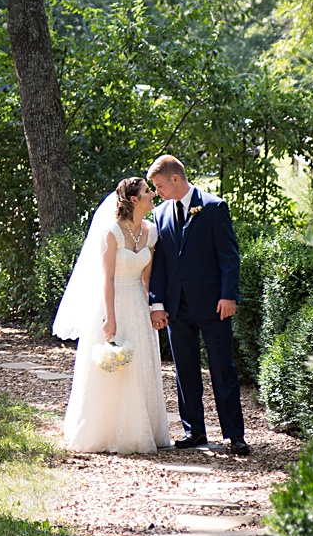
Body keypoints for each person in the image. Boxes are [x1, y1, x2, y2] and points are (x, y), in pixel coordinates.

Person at [53, 176, 172, 454]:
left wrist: (154, 308)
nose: (152, 194)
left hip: (138, 306)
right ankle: (103, 430)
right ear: (134, 199)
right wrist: (111, 318)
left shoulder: (151, 232)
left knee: (139, 363)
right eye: (147, 192)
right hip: (112, 301)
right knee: (112, 365)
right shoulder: (111, 232)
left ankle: (138, 429)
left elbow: (148, 277)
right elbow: (106, 280)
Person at [146, 154, 249, 456]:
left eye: (160, 185)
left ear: (175, 179)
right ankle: (194, 431)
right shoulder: (161, 214)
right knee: (184, 371)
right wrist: (158, 303)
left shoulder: (214, 207)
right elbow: (161, 263)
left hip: (214, 305)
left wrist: (229, 295)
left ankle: (235, 434)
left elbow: (229, 256)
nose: (157, 192)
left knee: (222, 369)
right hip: (177, 308)